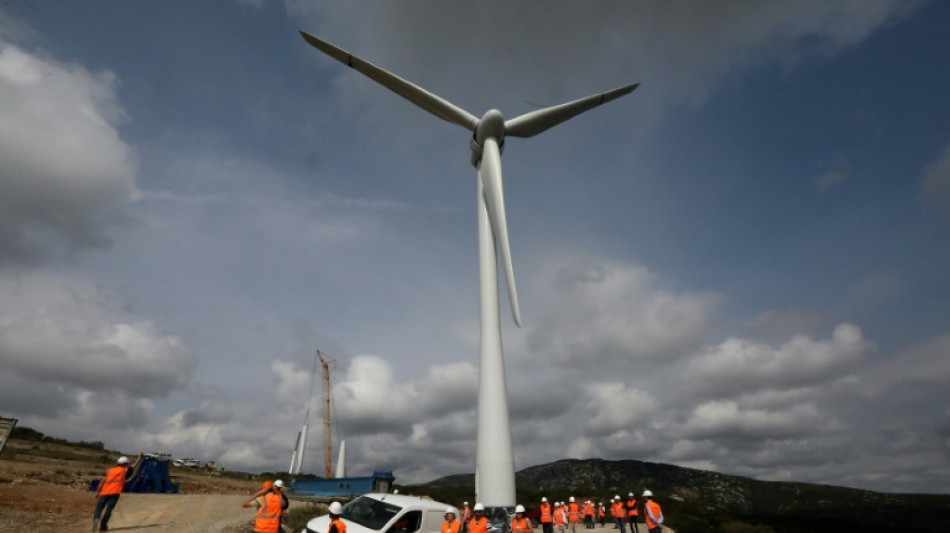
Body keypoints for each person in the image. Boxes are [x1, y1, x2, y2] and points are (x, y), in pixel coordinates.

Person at [92, 454, 139, 532]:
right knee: (109, 510)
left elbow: (102, 482)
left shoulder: (109, 470)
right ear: (124, 464)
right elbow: (135, 465)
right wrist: (139, 457)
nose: (127, 465)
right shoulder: (125, 470)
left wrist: (97, 492)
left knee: (99, 508)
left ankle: (96, 518)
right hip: (115, 493)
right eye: (126, 463)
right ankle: (103, 526)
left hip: (104, 492)